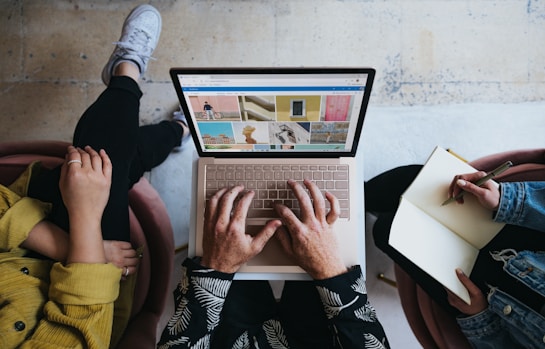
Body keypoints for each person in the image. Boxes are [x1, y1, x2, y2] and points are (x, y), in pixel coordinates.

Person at [0, 4, 189, 348]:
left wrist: (65, 243)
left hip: (28, 231)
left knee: (108, 158)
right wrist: (85, 222)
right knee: (110, 159)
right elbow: (80, 328)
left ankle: (155, 105)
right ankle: (131, 76)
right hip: (91, 297)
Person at [158, 179, 390, 348]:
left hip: (228, 338)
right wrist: (328, 268)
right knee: (312, 228)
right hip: (324, 339)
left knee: (221, 232)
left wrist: (217, 267)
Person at [365, 165, 545, 348]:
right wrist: (507, 199)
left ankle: (360, 208)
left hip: (481, 298)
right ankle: (354, 199)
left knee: (386, 231)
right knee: (417, 184)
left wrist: (479, 316)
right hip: (520, 227)